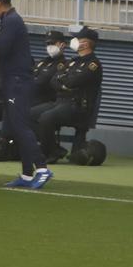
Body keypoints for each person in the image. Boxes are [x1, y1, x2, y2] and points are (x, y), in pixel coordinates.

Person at [0, 0, 52, 189]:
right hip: (13, 80)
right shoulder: (7, 20)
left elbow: (1, 49)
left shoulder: (12, 21)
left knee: (21, 126)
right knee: (15, 127)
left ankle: (42, 168)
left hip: (18, 81)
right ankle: (28, 174)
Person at [30, 27, 103, 164]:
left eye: (77, 39)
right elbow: (54, 80)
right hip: (60, 102)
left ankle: (49, 153)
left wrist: (63, 83)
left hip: (77, 106)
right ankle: (54, 148)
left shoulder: (93, 65)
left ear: (85, 44)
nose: (73, 41)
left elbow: (72, 81)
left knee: (46, 118)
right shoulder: (72, 62)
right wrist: (64, 84)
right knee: (30, 114)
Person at [33, 30, 69, 104]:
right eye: (47, 44)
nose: (49, 46)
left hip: (46, 103)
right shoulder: (42, 62)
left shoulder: (64, 65)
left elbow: (42, 82)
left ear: (62, 45)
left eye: (52, 43)